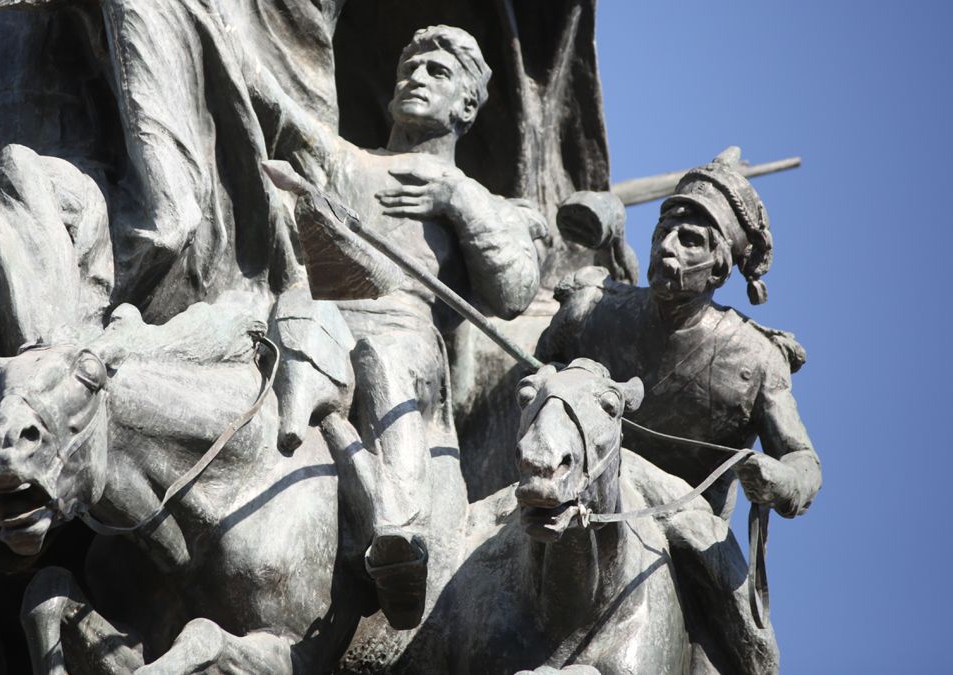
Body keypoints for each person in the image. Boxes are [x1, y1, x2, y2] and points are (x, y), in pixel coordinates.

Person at [243, 25, 544, 628]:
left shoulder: (480, 198)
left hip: (404, 336)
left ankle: (398, 531)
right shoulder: (345, 159)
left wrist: (455, 197)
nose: (416, 77)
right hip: (323, 315)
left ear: (466, 105)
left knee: (383, 359)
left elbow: (512, 294)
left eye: (437, 72)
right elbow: (271, 101)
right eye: (410, 67)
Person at [536, 147, 822, 674]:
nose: (668, 246)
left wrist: (780, 479)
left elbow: (805, 463)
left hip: (683, 521)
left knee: (756, 652)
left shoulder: (756, 358)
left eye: (689, 240)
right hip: (570, 488)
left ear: (719, 266)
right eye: (663, 231)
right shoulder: (596, 311)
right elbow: (539, 368)